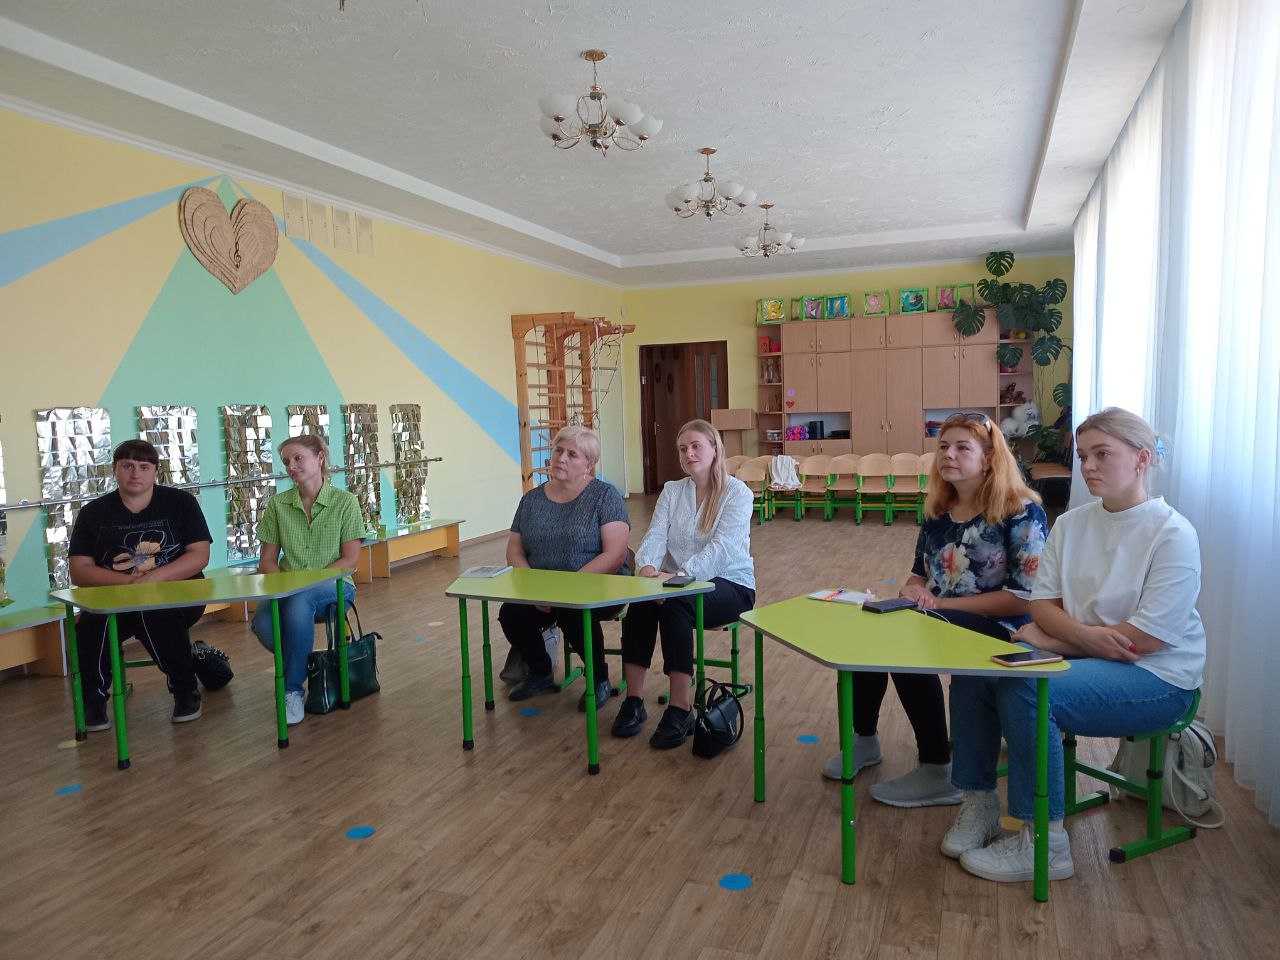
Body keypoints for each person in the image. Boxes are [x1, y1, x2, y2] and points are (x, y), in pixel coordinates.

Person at [944, 408, 1204, 883]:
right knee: (979, 671)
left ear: (1142, 458)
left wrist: (1063, 642)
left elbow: (1147, 639)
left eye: (1102, 454)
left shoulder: (1172, 533)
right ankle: (979, 804)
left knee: (1028, 689)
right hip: (1088, 655)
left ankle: (1045, 842)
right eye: (1083, 456)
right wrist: (1079, 638)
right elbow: (1042, 606)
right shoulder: (1072, 524)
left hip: (1159, 678)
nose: (1088, 466)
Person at [822, 413, 1048, 807]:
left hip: (1006, 628)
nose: (948, 455)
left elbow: (1023, 598)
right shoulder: (938, 512)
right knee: (872, 625)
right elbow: (918, 575)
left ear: (989, 458)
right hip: (941, 614)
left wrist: (940, 603)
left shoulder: (1021, 511)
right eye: (943, 446)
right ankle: (865, 739)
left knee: (906, 636)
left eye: (962, 447)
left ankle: (936, 768)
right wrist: (910, 593)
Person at [614, 419, 756, 749]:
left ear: (714, 449)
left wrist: (678, 578)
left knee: (676, 603)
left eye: (695, 446)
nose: (688, 453)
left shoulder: (737, 493)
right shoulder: (673, 491)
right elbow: (655, 535)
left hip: (730, 585)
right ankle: (634, 699)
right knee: (642, 601)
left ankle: (681, 708)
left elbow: (722, 549)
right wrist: (647, 569)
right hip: (671, 582)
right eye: (682, 449)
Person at [69, 439, 213, 728]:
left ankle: (185, 691)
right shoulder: (93, 513)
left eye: (144, 467)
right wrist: (127, 583)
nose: (135, 474)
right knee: (92, 624)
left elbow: (199, 555)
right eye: (128, 466)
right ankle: (93, 703)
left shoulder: (181, 503)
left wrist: (153, 578)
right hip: (116, 598)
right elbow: (80, 571)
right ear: (115, 469)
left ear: (155, 471)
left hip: (176, 594)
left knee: (156, 613)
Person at [501, 425, 630, 707]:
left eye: (572, 455)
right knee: (511, 613)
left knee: (572, 610)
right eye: (558, 450)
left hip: (597, 585)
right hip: (542, 589)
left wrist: (564, 590)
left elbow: (615, 555)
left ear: (589, 464)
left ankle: (599, 678)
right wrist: (533, 590)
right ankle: (540, 671)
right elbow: (514, 551)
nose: (561, 458)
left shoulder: (604, 496)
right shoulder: (531, 500)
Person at [252, 434, 364, 726]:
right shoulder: (278, 505)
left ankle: (291, 689)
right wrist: (284, 585)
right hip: (288, 588)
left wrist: (303, 585)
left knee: (300, 601)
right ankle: (306, 660)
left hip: (336, 586)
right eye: (286, 462)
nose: (291, 466)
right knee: (263, 623)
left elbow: (350, 560)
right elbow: (267, 561)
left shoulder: (345, 502)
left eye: (298, 458)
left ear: (320, 458)